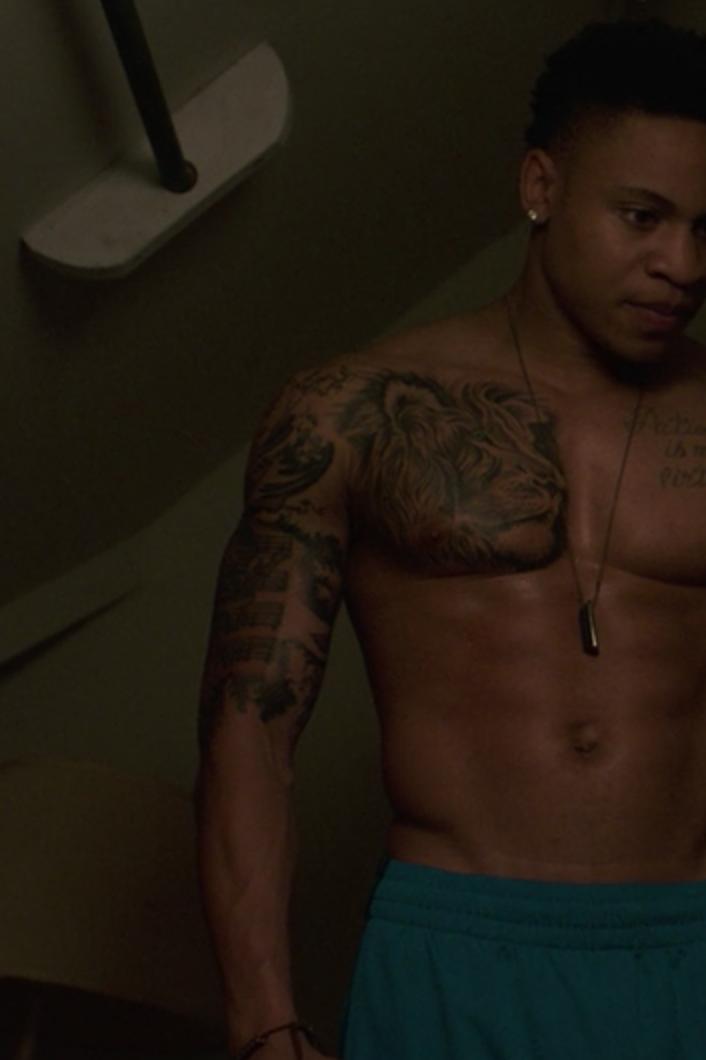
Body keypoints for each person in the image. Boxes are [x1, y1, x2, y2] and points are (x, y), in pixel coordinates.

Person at [195, 16, 706, 1060]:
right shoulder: (352, 412)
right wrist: (260, 1019)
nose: (681, 264)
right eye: (642, 217)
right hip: (455, 945)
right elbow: (250, 734)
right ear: (539, 186)